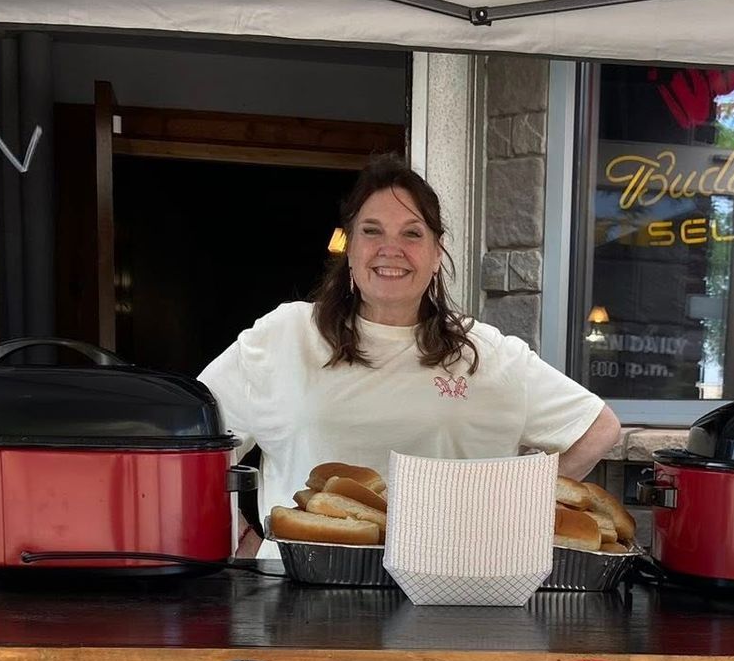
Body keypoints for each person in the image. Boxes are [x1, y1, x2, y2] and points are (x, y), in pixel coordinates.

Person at [200, 156, 621, 548]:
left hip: (450, 598)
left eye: (412, 233)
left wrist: (517, 512)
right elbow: (194, 437)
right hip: (300, 601)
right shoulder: (285, 335)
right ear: (350, 247)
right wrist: (237, 533)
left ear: (437, 253)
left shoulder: (486, 353)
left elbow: (598, 428)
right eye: (372, 230)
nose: (391, 248)